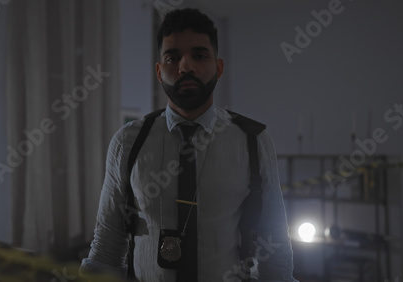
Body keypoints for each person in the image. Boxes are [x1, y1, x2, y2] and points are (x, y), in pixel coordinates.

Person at [81, 8, 297, 282]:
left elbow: (274, 243)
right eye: (173, 57)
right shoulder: (128, 142)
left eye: (199, 55)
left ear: (218, 67)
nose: (185, 67)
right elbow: (108, 240)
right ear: (159, 72)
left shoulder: (252, 141)